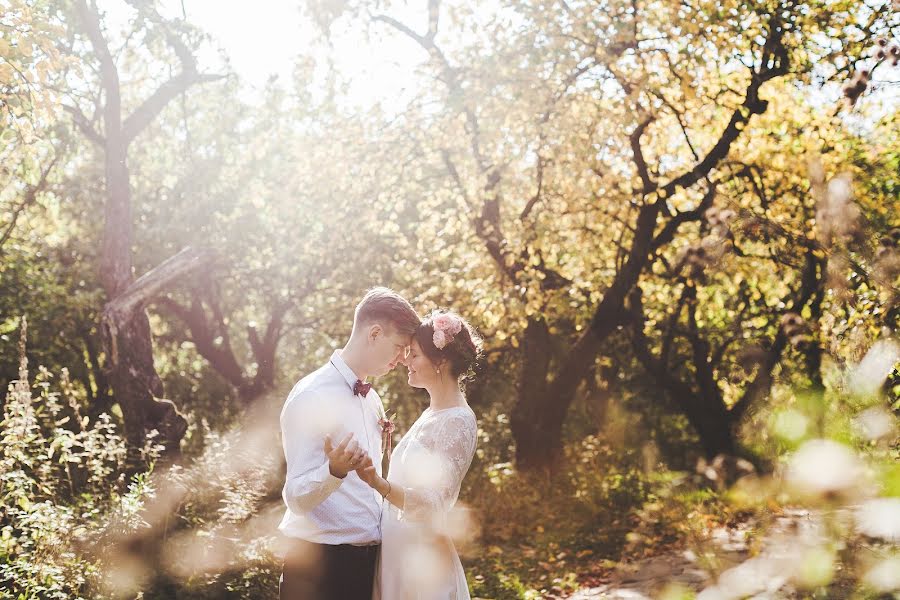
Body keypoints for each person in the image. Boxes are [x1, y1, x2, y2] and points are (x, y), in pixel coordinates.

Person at [277, 287, 420, 600]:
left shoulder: (373, 399)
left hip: (366, 564)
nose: (400, 359)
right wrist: (334, 471)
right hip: (319, 567)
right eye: (398, 347)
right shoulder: (311, 396)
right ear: (375, 333)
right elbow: (295, 498)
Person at [357, 309, 480, 600]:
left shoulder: (458, 420)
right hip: (397, 555)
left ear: (441, 360)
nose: (405, 362)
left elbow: (434, 503)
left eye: (413, 355)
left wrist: (377, 482)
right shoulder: (432, 413)